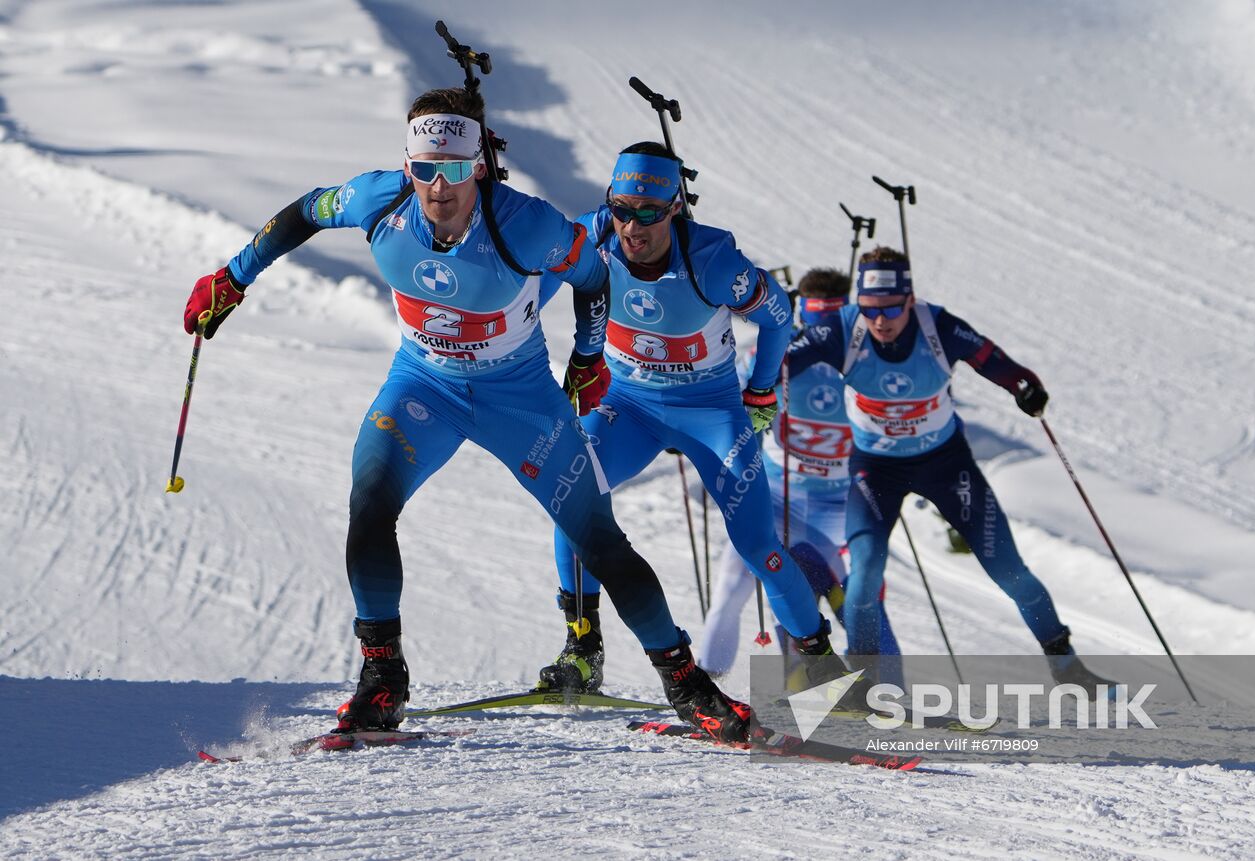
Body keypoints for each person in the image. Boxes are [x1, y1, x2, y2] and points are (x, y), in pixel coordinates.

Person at [182, 88, 755, 741]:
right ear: (408, 167)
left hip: (520, 399)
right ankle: (381, 678)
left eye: (453, 169)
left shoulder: (526, 224)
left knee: (599, 540)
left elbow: (595, 278)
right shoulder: (381, 201)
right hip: (425, 386)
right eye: (424, 169)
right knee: (369, 503)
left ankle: (690, 688)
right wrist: (232, 277)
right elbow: (304, 213)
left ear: (478, 166)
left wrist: (590, 358)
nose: (438, 187)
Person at [535, 142, 844, 695]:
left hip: (711, 414)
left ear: (675, 207)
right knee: (570, 498)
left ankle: (820, 663)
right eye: (622, 208)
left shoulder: (713, 262)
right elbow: (535, 283)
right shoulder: (595, 236)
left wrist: (761, 393)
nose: (633, 225)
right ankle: (582, 650)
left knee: (757, 546)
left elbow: (779, 317)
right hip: (629, 405)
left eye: (649, 213)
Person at [784, 246, 1112, 689]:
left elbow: (998, 363)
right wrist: (750, 393)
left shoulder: (938, 325)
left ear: (910, 299)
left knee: (1010, 572)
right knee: (864, 575)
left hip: (945, 463)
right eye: (870, 309)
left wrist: (1025, 389)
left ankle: (1067, 666)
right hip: (875, 468)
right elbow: (782, 361)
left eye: (891, 309)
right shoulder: (843, 329)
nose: (880, 321)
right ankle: (863, 681)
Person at [696, 267, 900, 676]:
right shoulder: (774, 357)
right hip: (774, 501)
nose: (823, 334)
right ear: (802, 315)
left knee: (863, 601)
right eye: (815, 321)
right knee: (733, 591)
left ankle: (891, 694)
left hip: (840, 510)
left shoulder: (869, 360)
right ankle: (705, 694)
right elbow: (726, 401)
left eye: (833, 321)